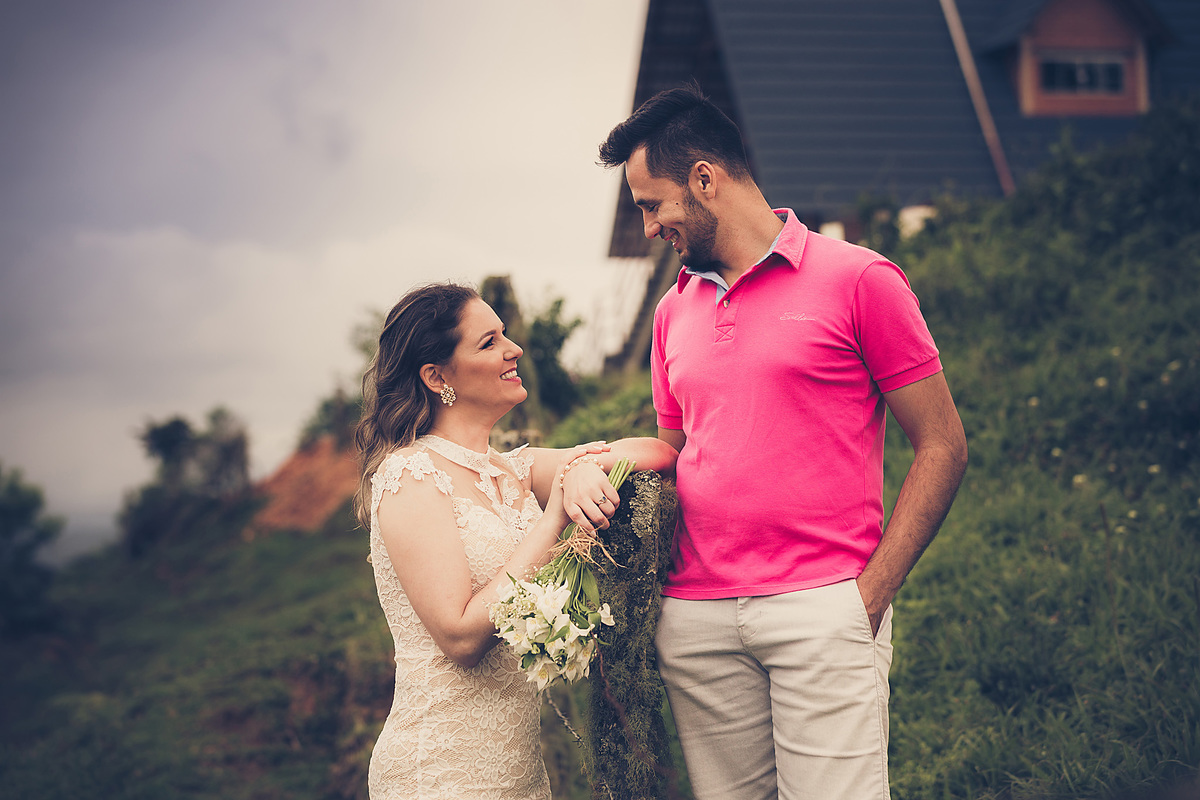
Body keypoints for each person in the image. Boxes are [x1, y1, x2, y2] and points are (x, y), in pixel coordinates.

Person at [594, 84, 969, 800]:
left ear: (705, 178)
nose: (646, 228)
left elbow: (943, 445)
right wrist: (589, 466)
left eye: (651, 203)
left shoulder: (861, 279)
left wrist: (869, 598)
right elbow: (674, 452)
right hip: (696, 620)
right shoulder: (673, 311)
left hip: (824, 609)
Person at [354, 282, 677, 800]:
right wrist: (552, 521)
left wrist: (585, 468)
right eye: (488, 342)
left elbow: (656, 453)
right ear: (437, 376)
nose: (514, 349)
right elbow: (459, 636)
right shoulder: (409, 474)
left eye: (505, 334)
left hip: (518, 773)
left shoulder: (514, 469)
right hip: (438, 772)